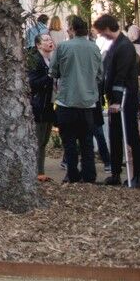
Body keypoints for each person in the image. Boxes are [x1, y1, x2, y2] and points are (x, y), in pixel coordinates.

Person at [51, 15, 101, 184]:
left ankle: (72, 172)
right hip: (87, 101)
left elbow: (53, 71)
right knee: (87, 140)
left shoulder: (63, 47)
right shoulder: (94, 48)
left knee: (69, 141)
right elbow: (100, 74)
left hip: (67, 100)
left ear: (72, 29)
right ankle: (89, 174)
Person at [96, 15, 140, 189]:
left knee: (131, 136)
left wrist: (116, 100)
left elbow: (121, 75)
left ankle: (137, 175)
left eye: (102, 32)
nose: (102, 35)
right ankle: (116, 172)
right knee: (115, 135)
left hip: (125, 99)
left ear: (108, 28)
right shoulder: (117, 46)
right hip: (117, 99)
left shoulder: (125, 47)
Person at [28, 33, 56, 180]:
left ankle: (40, 170)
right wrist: (49, 77)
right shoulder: (35, 60)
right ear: (39, 45)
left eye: (50, 39)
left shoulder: (51, 59)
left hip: (49, 104)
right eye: (45, 40)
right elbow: (32, 82)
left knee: (44, 140)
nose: (49, 42)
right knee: (39, 140)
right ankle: (38, 171)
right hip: (39, 104)